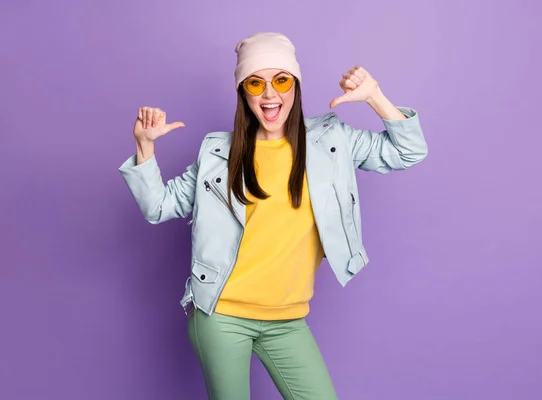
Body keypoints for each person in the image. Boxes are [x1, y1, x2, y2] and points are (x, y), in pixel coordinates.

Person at [119, 32, 428, 400]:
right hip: (222, 316)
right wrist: (145, 146)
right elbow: (158, 207)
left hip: (287, 320)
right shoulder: (218, 155)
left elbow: (409, 152)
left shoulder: (332, 141)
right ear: (243, 93)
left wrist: (375, 97)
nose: (269, 94)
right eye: (255, 83)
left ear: (295, 86)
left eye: (281, 80)